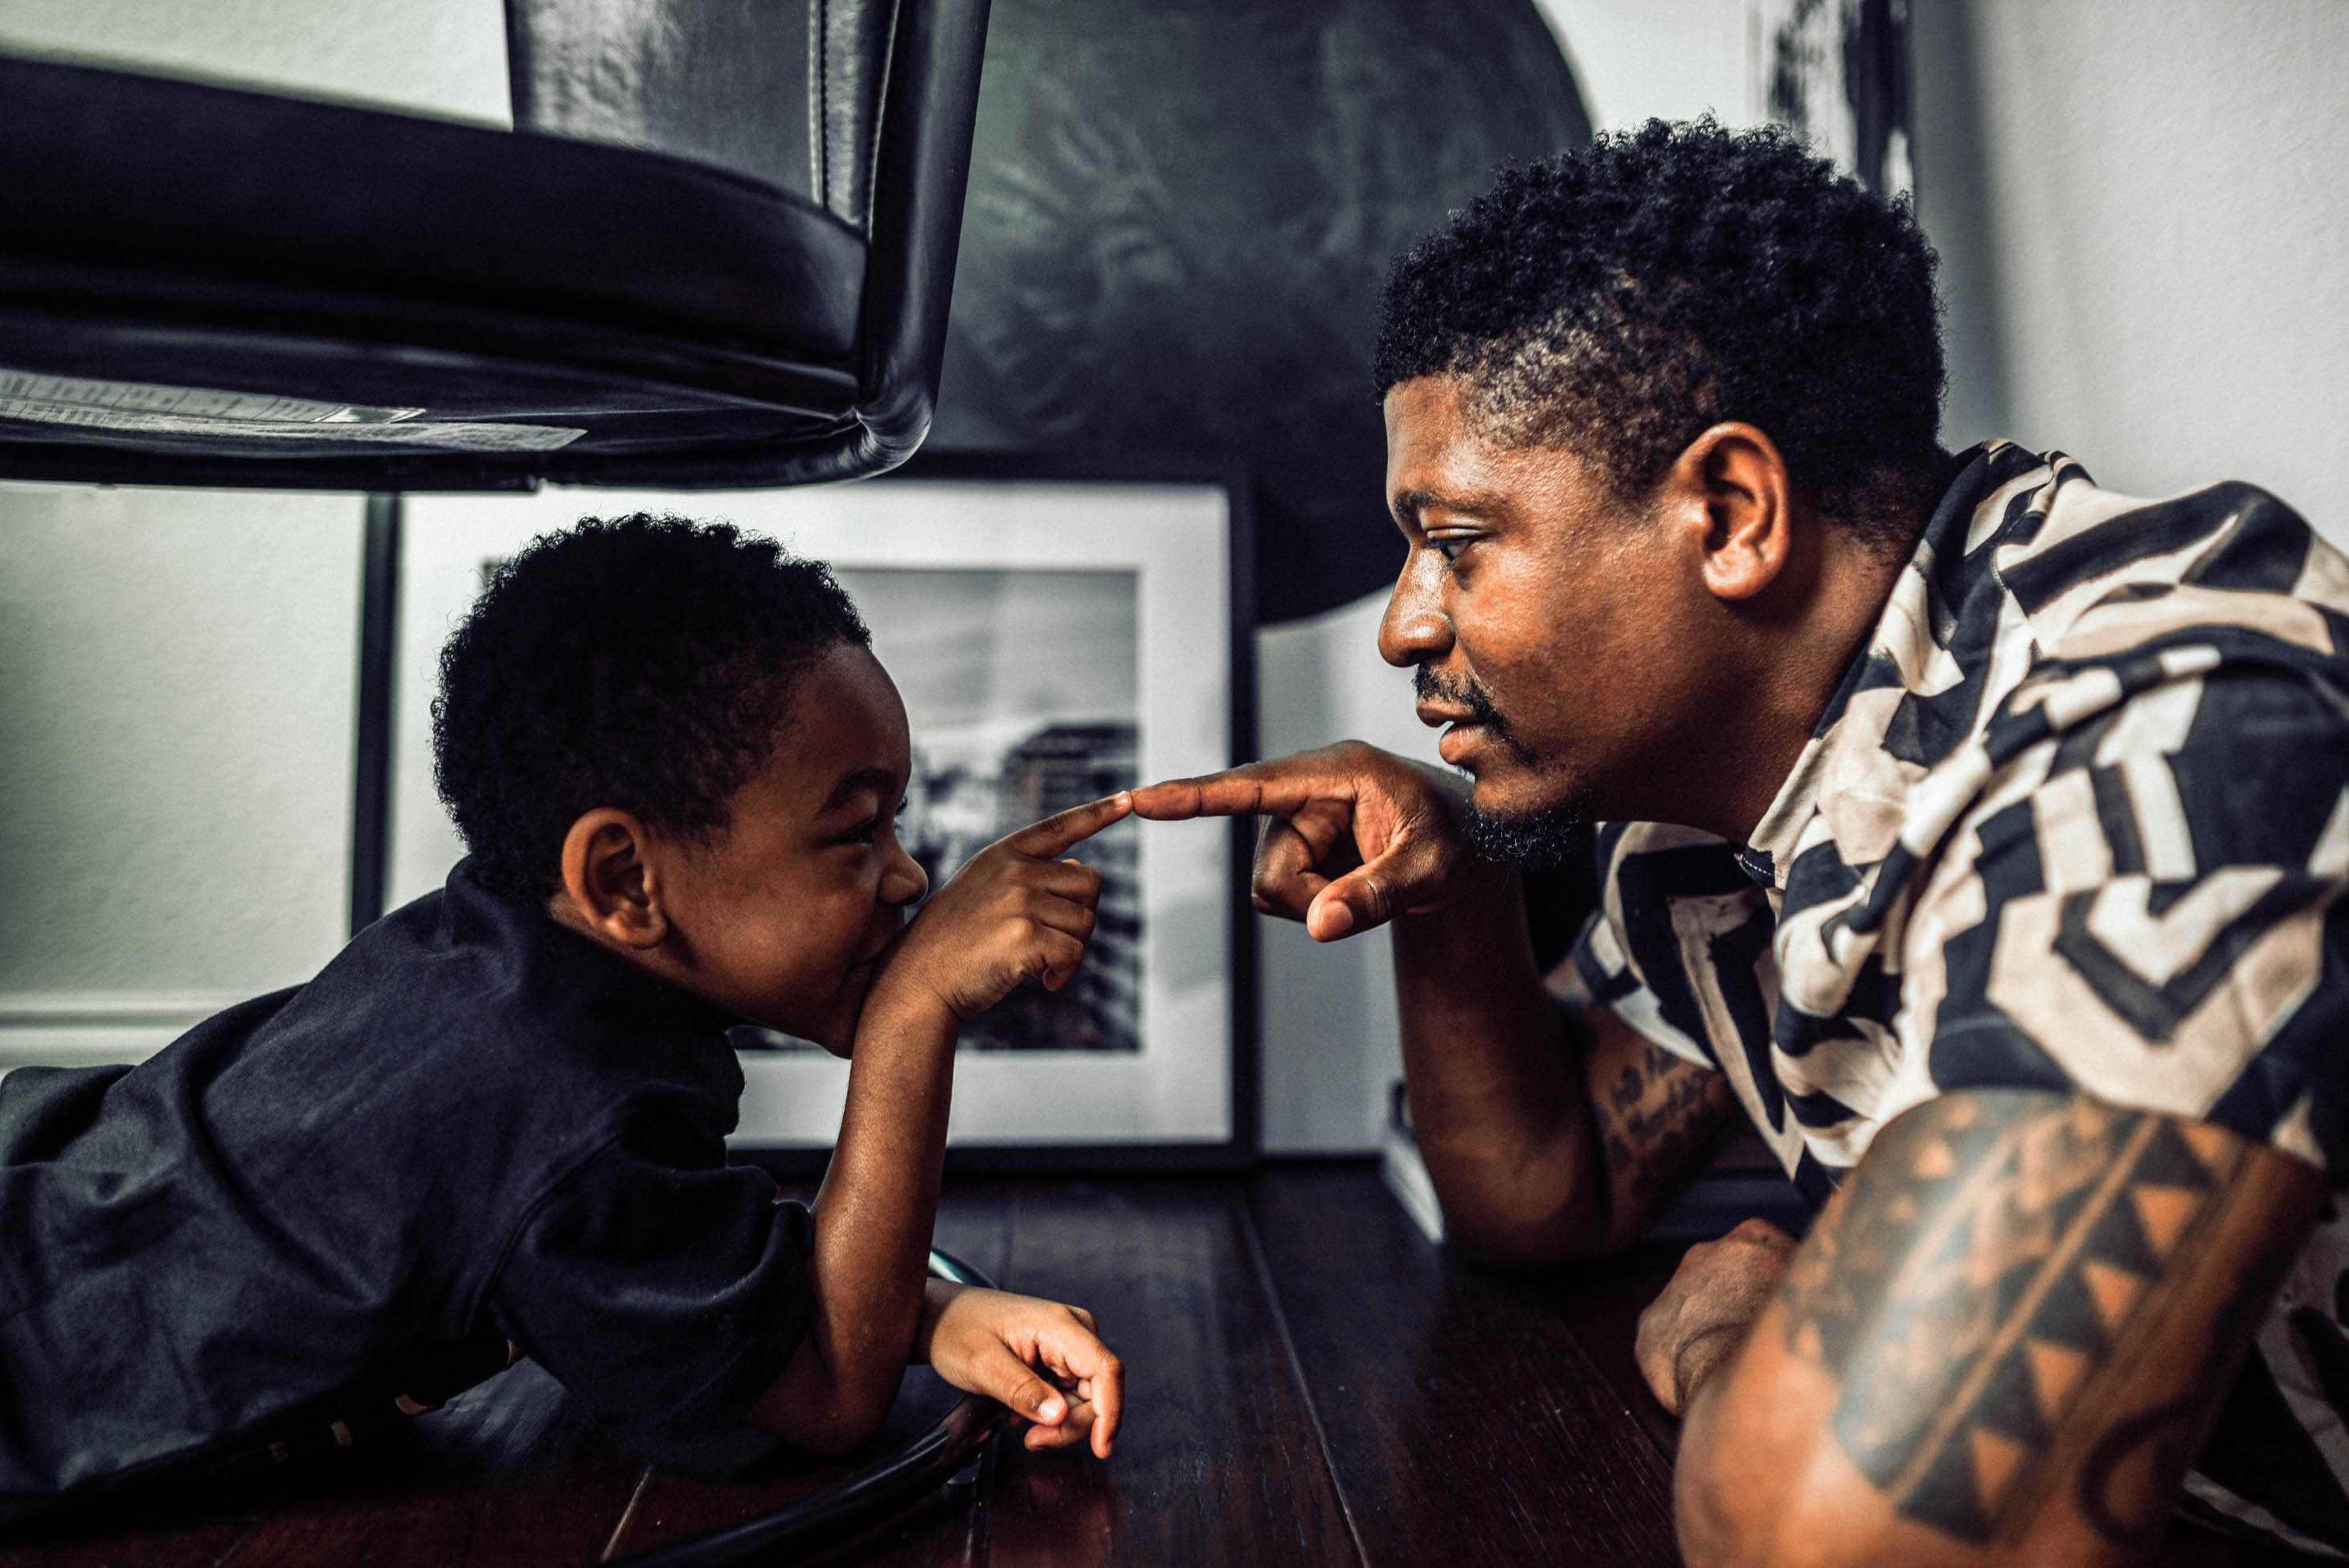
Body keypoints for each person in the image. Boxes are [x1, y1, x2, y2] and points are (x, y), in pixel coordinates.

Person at [1136, 119, 2349, 1564]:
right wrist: (1454, 878)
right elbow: (1550, 1183)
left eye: (1455, 542)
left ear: (1731, 513)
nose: (1404, 623)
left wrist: (1735, 1329)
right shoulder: (1722, 805)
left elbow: (1836, 1544)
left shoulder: (2171, 715)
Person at [0, 515, 1124, 1523]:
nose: (906, 879)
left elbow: (681, 1254)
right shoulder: (553, 1108)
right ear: (625, 879)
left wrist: (926, 1313)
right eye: (854, 833)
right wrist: (914, 1013)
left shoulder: (488, 958)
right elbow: (824, 1393)